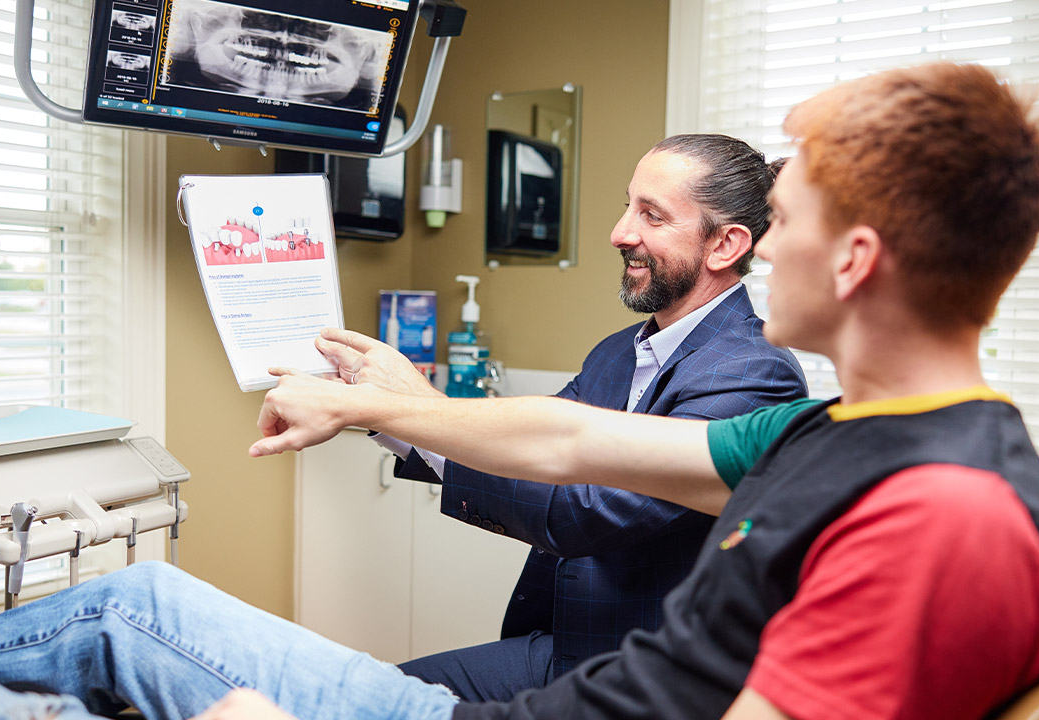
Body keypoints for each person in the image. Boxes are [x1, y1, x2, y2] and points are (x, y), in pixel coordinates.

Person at [0, 61, 1039, 720]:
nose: (764, 245)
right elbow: (577, 441)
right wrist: (387, 403)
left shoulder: (938, 517)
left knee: (100, 639)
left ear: (853, 261)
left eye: (785, 220)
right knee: (131, 614)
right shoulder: (834, 430)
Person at [340, 134, 806, 701]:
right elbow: (524, 444)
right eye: (627, 205)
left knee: (368, 701)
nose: (620, 232)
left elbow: (587, 511)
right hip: (565, 648)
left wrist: (397, 407)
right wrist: (381, 406)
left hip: (649, 677)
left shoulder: (752, 371)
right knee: (364, 692)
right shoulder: (617, 352)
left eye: (651, 215)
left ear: (725, 244)